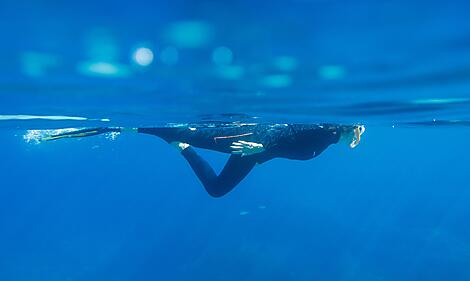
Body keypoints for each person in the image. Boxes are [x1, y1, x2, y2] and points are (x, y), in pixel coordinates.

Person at [42, 122, 365, 197]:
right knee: (163, 127)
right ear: (350, 128)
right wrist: (260, 146)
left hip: (253, 152)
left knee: (217, 189)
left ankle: (180, 146)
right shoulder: (325, 129)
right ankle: (99, 127)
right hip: (248, 141)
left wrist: (262, 151)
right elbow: (289, 130)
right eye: (359, 131)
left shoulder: (327, 139)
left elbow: (292, 142)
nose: (358, 137)